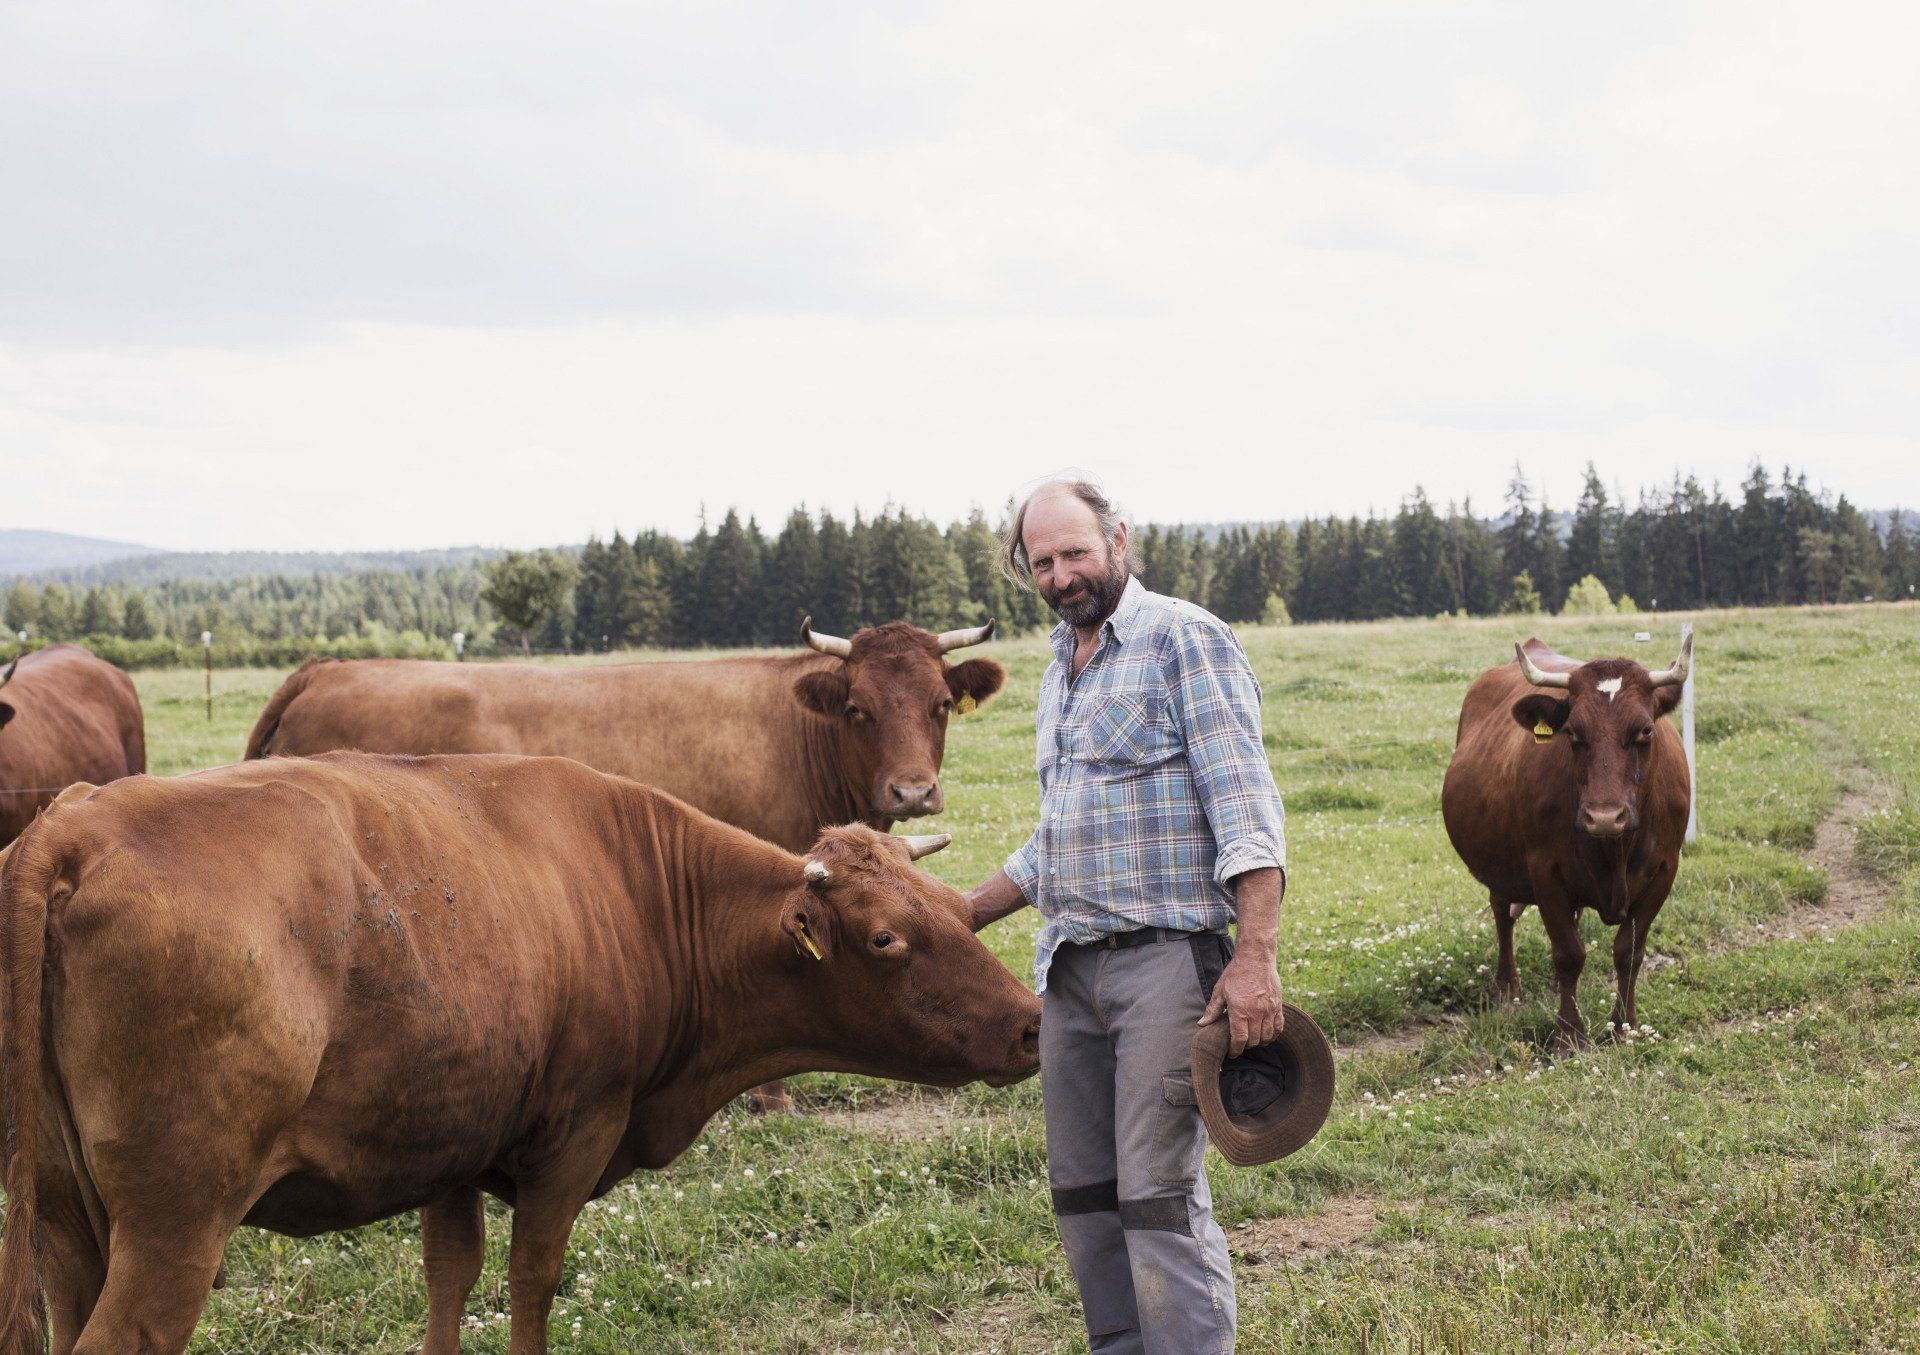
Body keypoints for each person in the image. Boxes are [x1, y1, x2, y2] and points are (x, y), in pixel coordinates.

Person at [966, 478, 1287, 1355]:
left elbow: (1248, 812)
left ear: (1118, 539)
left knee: (1156, 1198)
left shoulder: (1184, 638)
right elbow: (1059, 840)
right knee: (1084, 1194)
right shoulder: (1058, 672)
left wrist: (1255, 956)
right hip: (1069, 972)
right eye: (1042, 562)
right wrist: (960, 913)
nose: (1062, 575)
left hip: (1164, 966)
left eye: (1075, 552)